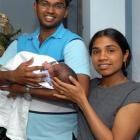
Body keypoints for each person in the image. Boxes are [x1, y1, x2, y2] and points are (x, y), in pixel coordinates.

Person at [0, 0, 90, 139]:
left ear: (66, 12)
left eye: (58, 5)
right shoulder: (20, 43)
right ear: (35, 6)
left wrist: (26, 89)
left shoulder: (73, 44)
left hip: (59, 136)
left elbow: (80, 92)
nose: (50, 10)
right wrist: (13, 76)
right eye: (44, 4)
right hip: (20, 135)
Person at [52, 28, 140, 140]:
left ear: (125, 55)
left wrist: (82, 101)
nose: (102, 57)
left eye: (111, 50)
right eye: (96, 52)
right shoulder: (89, 85)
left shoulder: (134, 92)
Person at [0, 51, 78, 140]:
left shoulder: (52, 78)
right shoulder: (44, 62)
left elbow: (71, 94)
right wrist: (12, 75)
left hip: (56, 132)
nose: (50, 73)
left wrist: (24, 89)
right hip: (15, 73)